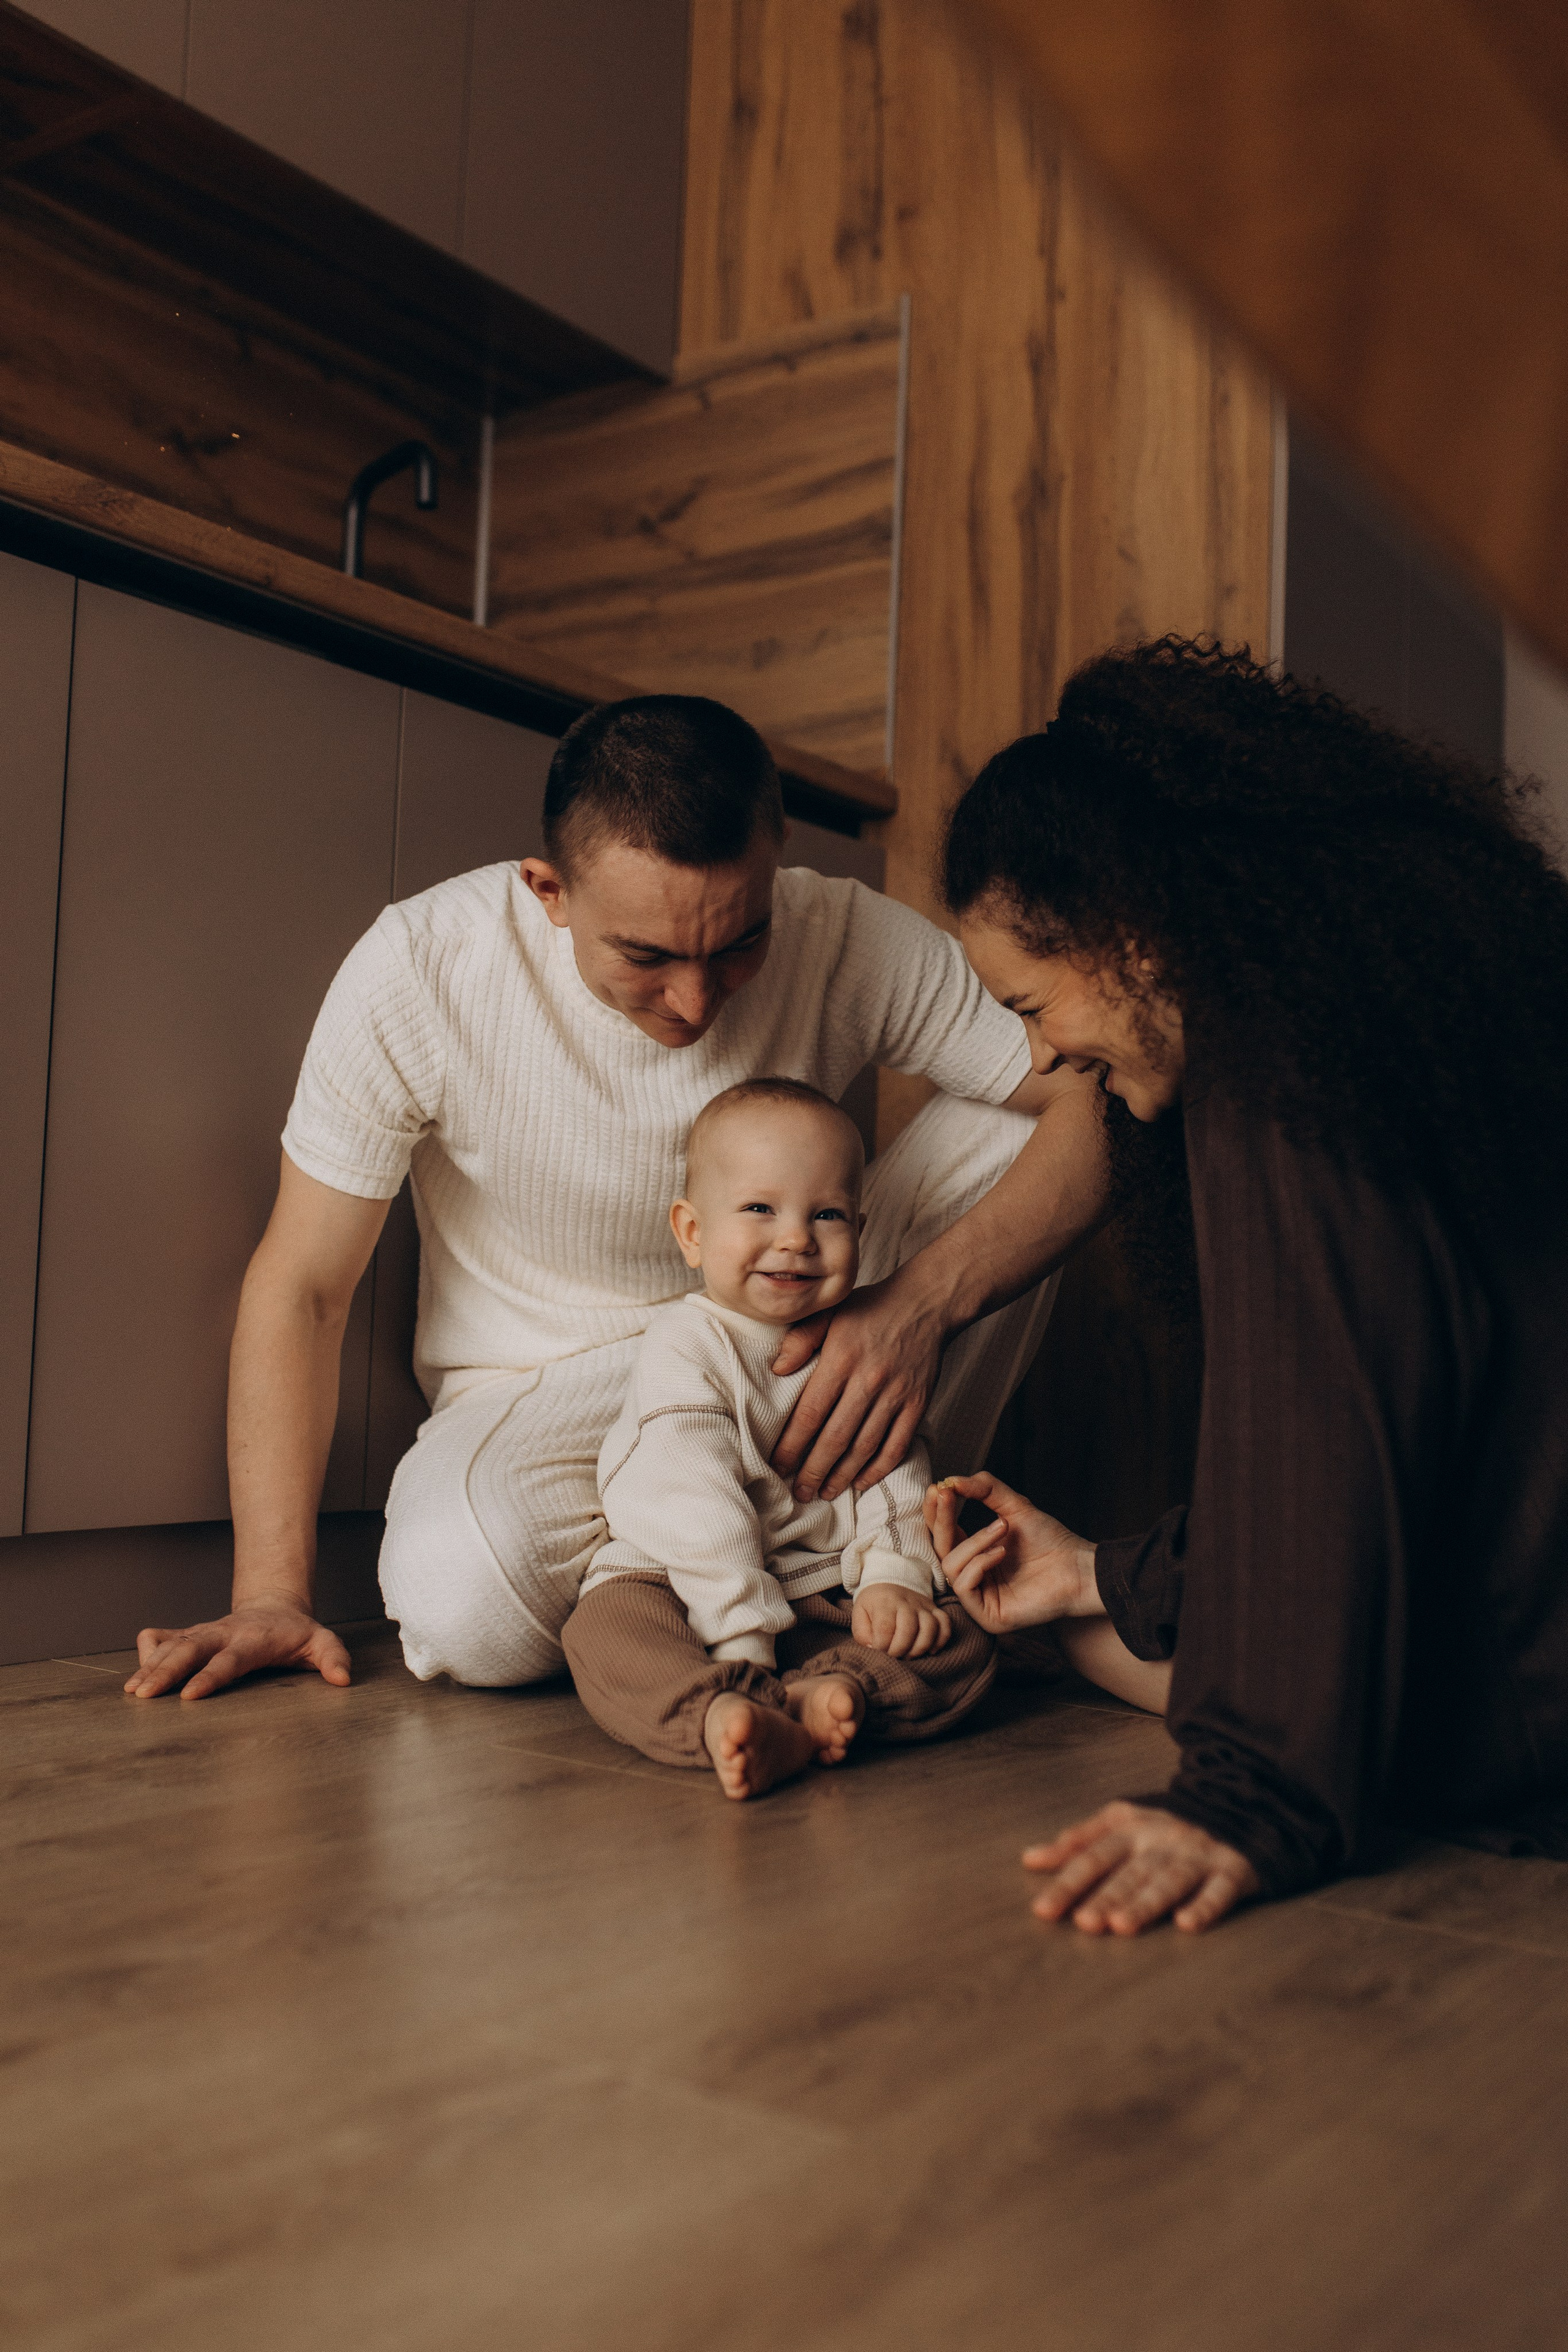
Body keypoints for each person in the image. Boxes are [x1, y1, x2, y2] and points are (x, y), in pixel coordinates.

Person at [125, 695, 1108, 1703]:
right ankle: (788, 1579)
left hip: (802, 1347)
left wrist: (919, 1307)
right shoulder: (422, 968)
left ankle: (861, 1557)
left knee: (1067, 1098)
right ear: (551, 892)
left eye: (737, 945)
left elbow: (1099, 1088)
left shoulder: (841, 931)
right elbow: (305, 1284)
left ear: (775, 864)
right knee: (455, 1603)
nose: (695, 1001)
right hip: (554, 1395)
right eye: (646, 956)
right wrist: (271, 1594)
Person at [928, 636, 1568, 1936]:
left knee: (1142, 1666)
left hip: (1528, 1718)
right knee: (1116, 1632)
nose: (1046, 1056)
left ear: (1125, 934)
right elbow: (1378, 1443)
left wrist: (1251, 1793)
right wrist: (1105, 1573)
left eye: (1032, 1002)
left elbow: (1319, 1430)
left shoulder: (1278, 1083)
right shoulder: (1378, 1009)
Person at [563, 1077, 996, 1798]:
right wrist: (740, 1635)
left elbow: (895, 1466)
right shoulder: (687, 1342)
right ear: (693, 1233)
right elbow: (691, 1494)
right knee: (605, 1633)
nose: (795, 1238)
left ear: (860, 1228)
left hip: (821, 1586)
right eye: (760, 1209)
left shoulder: (862, 1338)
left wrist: (894, 1579)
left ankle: (835, 1694)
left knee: (963, 1637)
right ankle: (722, 1710)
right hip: (679, 1582)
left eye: (827, 1215)